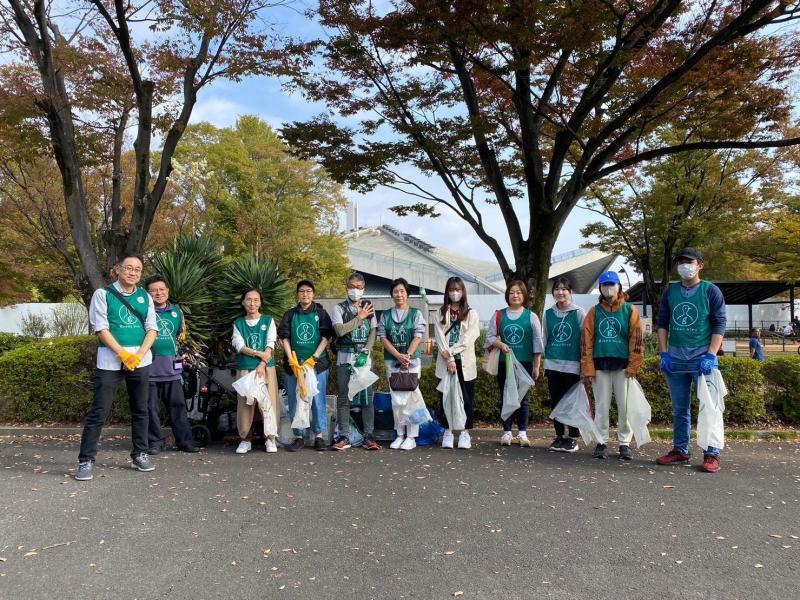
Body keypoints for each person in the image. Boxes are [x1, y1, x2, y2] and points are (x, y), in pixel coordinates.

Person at [75, 253, 159, 481]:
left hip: (140, 360)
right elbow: (101, 328)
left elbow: (152, 328)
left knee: (140, 409)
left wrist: (139, 355)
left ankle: (140, 453)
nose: (133, 272)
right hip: (109, 361)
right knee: (99, 411)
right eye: (129, 267)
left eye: (138, 269)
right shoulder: (103, 294)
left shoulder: (145, 296)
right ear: (118, 269)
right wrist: (122, 354)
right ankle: (86, 460)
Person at [656, 248, 726, 473]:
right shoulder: (671, 292)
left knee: (710, 408)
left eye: (689, 262)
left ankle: (712, 452)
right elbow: (662, 323)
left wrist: (711, 354)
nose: (684, 266)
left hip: (702, 359)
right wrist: (664, 353)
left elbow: (719, 323)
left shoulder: (710, 291)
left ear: (700, 265)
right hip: (675, 360)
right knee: (679, 409)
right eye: (680, 262)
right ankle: (680, 450)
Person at [581, 271, 644, 460]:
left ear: (619, 287)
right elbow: (586, 341)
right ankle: (601, 441)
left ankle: (624, 443)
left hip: (623, 367)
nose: (608, 288)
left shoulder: (630, 310)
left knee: (625, 407)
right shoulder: (594, 312)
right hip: (600, 365)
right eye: (605, 285)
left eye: (612, 285)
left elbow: (637, 339)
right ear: (600, 288)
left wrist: (633, 365)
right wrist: (588, 367)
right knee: (601, 406)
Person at [143, 275, 199, 454]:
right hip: (149, 370)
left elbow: (180, 338)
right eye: (154, 290)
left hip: (172, 370)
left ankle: (185, 441)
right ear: (147, 294)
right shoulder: (143, 311)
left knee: (178, 407)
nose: (158, 293)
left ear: (167, 291)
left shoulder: (177, 312)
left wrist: (182, 359)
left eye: (162, 289)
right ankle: (155, 442)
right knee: (150, 409)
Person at [278, 280, 333, 452]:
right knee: (295, 400)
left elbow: (326, 337)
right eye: (302, 291)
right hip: (294, 365)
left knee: (318, 399)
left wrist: (314, 358)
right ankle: (299, 436)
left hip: (317, 364)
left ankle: (319, 436)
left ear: (313, 294)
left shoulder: (321, 313)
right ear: (297, 294)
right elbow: (284, 337)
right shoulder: (290, 314)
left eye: (308, 291)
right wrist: (291, 360)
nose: (305, 294)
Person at [487, 280, 543, 447]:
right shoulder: (499, 315)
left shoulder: (531, 316)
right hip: (504, 362)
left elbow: (537, 343)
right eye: (511, 292)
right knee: (505, 396)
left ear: (524, 295)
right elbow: (490, 337)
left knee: (523, 398)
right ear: (507, 295)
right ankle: (507, 432)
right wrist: (500, 344)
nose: (515, 295)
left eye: (518, 292)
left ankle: (522, 432)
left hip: (525, 363)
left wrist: (536, 365)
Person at [330, 272, 381, 451]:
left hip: (363, 359)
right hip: (345, 357)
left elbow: (373, 331)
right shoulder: (339, 308)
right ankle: (344, 436)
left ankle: (369, 435)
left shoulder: (369, 306)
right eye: (352, 287)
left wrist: (366, 351)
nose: (355, 290)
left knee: (367, 398)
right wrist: (360, 317)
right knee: (344, 397)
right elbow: (339, 330)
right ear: (346, 289)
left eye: (359, 287)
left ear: (364, 289)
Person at [378, 277, 427, 450]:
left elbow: (418, 335)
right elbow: (383, 337)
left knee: (411, 398)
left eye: (402, 291)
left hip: (412, 362)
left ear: (407, 294)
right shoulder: (385, 315)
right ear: (391, 294)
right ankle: (399, 434)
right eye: (395, 291)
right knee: (396, 399)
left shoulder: (416, 314)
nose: (399, 294)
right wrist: (398, 356)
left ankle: (411, 436)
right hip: (392, 361)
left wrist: (407, 355)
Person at [434, 277, 480, 449]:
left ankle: (465, 433)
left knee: (466, 399)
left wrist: (451, 353)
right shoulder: (440, 312)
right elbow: (439, 337)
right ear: (447, 292)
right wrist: (449, 358)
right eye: (452, 290)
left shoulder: (471, 313)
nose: (455, 293)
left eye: (458, 290)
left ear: (463, 292)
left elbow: (469, 338)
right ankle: (447, 431)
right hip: (445, 363)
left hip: (465, 363)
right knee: (445, 398)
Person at [232, 289, 280, 454]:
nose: (252, 303)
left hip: (266, 369)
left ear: (260, 302)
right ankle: (246, 439)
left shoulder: (268, 320)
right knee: (246, 404)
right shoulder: (238, 323)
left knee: (267, 403)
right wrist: (259, 354)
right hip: (245, 368)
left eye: (256, 300)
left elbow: (270, 344)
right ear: (243, 302)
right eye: (249, 300)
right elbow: (239, 346)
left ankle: (270, 438)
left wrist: (262, 363)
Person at [543, 277, 586, 453]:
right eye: (557, 289)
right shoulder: (548, 313)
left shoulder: (578, 313)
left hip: (572, 364)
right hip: (553, 363)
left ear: (570, 292)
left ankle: (573, 437)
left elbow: (585, 340)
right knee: (556, 401)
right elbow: (545, 338)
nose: (560, 292)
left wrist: (584, 363)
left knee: (572, 402)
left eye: (564, 289)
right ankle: (559, 435)